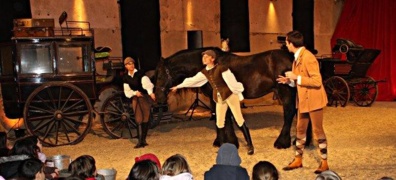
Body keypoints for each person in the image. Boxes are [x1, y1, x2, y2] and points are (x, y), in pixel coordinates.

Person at [170, 50, 254, 155]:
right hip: (219, 98)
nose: (204, 58)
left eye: (206, 57)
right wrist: (178, 86)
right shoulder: (205, 72)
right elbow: (193, 80)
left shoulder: (222, 68)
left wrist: (239, 93)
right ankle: (223, 147)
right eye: (203, 57)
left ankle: (250, 145)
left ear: (212, 59)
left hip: (230, 95)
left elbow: (232, 82)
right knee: (219, 122)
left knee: (239, 120)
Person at [276, 30, 329, 174]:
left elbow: (317, 81)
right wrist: (290, 81)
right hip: (303, 99)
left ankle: (324, 162)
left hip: (314, 99)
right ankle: (298, 159)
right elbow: (300, 80)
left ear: (291, 43)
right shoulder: (297, 58)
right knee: (300, 129)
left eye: (286, 42)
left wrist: (296, 77)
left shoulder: (308, 58)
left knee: (318, 130)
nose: (286, 45)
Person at [123, 57, 156, 148]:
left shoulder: (140, 74)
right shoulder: (126, 77)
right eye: (129, 64)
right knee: (138, 118)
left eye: (132, 63)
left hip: (144, 97)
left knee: (145, 117)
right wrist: (134, 93)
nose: (131, 65)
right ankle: (140, 141)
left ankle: (143, 140)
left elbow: (147, 84)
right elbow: (127, 91)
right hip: (135, 98)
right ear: (126, 66)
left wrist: (150, 93)